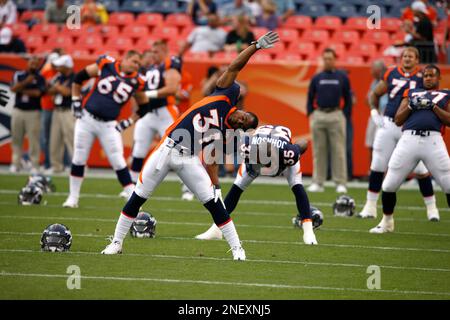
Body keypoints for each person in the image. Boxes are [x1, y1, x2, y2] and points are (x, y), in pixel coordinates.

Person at [101, 31, 279, 260]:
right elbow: (235, 66)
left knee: (214, 204)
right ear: (242, 109)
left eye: (246, 123)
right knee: (137, 196)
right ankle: (116, 242)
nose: (242, 119)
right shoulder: (226, 94)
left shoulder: (227, 133)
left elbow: (212, 160)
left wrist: (216, 186)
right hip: (167, 148)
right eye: (246, 116)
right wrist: (255, 46)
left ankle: (237, 248)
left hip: (188, 157)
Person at [195, 124, 318, 245]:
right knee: (236, 189)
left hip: (280, 151)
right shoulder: (247, 149)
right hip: (256, 154)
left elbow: (303, 143)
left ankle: (308, 231)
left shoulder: (288, 153)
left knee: (297, 187)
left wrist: (296, 149)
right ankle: (216, 229)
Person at [360, 47, 439, 221]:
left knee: (420, 169)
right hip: (388, 123)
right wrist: (374, 111)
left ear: (417, 60)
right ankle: (370, 206)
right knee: (378, 164)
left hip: (410, 127)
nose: (407, 59)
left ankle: (432, 208)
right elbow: (375, 93)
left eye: (411, 56)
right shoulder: (391, 73)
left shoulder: (423, 76)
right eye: (404, 56)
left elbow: (434, 95)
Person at [370, 65, 450, 233]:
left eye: (431, 75)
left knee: (448, 184)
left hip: (433, 141)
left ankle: (432, 209)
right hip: (409, 139)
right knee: (389, 184)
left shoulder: (445, 94)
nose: (428, 78)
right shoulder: (412, 93)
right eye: (426, 75)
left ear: (438, 78)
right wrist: (411, 106)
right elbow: (398, 120)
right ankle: (387, 222)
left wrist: (434, 107)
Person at [62, 51, 146, 208]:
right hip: (87, 118)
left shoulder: (137, 81)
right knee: (79, 157)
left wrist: (127, 122)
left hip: (109, 125)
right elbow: (79, 77)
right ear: (125, 58)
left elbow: (144, 106)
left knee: (118, 160)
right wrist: (75, 100)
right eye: (134, 61)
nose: (136, 66)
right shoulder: (106, 64)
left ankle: (132, 199)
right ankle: (73, 198)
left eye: (138, 64)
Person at [306, 48, 351, 194]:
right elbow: (310, 97)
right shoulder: (317, 77)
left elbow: (348, 98)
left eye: (330, 58)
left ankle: (340, 182)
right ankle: (318, 182)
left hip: (336, 114)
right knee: (319, 150)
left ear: (334, 60)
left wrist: (344, 115)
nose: (327, 61)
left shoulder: (342, 77)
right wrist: (311, 114)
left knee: (338, 150)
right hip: (319, 115)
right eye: (325, 58)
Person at [10, 56, 46, 174]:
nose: (33, 65)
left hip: (33, 112)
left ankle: (34, 164)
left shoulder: (40, 78)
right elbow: (13, 88)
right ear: (28, 63)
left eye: (36, 63)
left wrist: (22, 89)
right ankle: (16, 164)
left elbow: (37, 93)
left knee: (34, 140)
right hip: (18, 111)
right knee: (16, 138)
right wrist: (26, 82)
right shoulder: (19, 75)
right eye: (32, 63)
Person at [48, 55, 75, 174]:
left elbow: (67, 92)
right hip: (57, 110)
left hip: (69, 111)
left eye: (61, 66)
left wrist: (57, 86)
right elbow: (48, 90)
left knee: (71, 140)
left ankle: (77, 167)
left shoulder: (75, 77)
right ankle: (56, 166)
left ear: (67, 66)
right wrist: (58, 87)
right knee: (55, 139)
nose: (58, 68)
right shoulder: (59, 77)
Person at [40, 51, 61, 171]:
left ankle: (59, 164)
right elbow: (42, 90)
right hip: (47, 107)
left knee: (58, 138)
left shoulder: (60, 73)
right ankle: (48, 163)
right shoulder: (46, 72)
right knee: (46, 138)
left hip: (58, 109)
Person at [365, 60, 388, 170]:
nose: (371, 72)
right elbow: (368, 100)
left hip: (385, 116)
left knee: (385, 146)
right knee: (371, 144)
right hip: (374, 115)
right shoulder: (374, 82)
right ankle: (372, 170)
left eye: (372, 69)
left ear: (379, 70)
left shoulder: (388, 81)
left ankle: (384, 173)